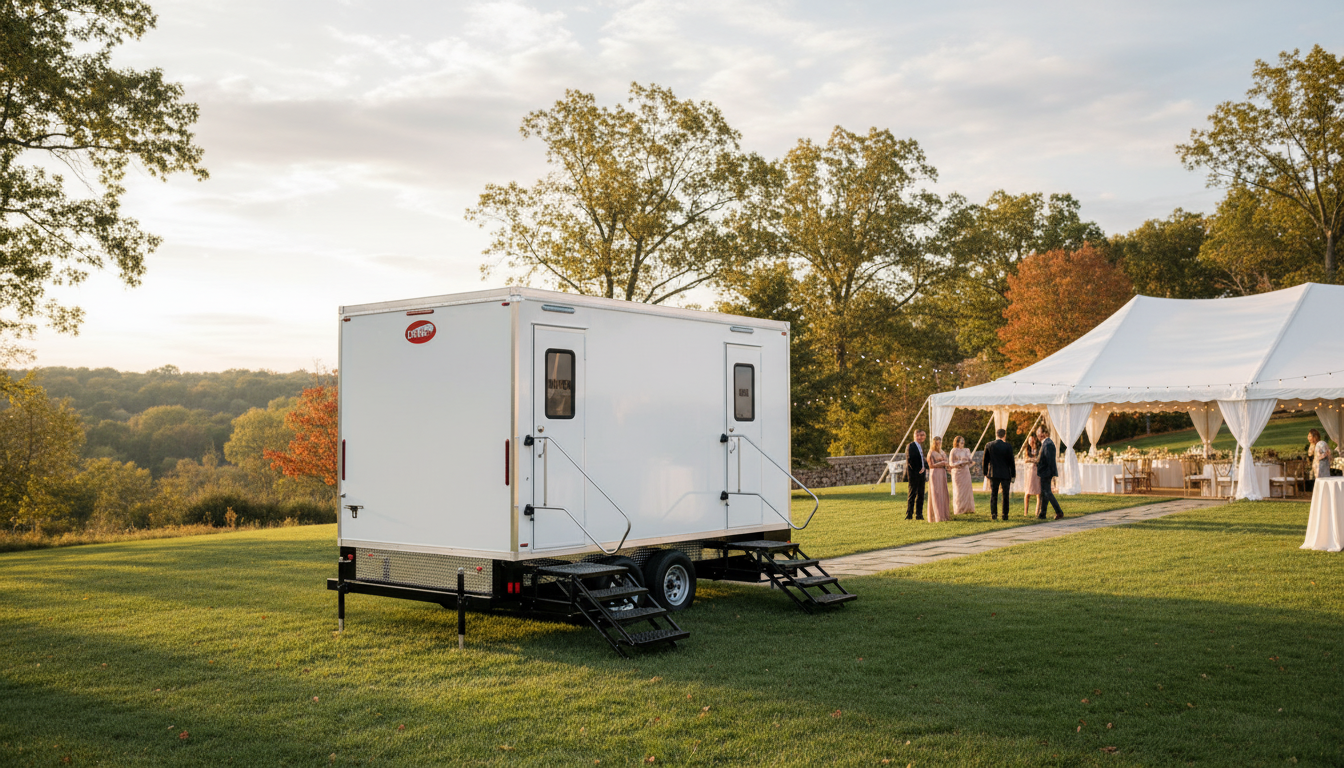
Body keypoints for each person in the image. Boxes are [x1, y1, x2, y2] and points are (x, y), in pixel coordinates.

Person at [982, 428, 1016, 520]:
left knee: (994, 494)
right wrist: (1013, 475)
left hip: (994, 473)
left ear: (996, 435)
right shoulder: (1008, 446)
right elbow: (1011, 462)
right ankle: (1005, 514)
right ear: (1004, 435)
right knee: (1005, 495)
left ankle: (994, 514)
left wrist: (985, 472)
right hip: (1005, 473)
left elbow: (985, 460)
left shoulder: (989, 445)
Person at [1035, 427, 1063, 520]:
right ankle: (1042, 514)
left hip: (1046, 472)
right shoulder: (1046, 443)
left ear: (1044, 433)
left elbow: (1049, 460)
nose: (1037, 435)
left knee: (1047, 492)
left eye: (1038, 432)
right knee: (1045, 493)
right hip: (1045, 472)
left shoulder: (1048, 444)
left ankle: (1059, 512)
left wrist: (1040, 464)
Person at [949, 435, 975, 515]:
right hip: (957, 472)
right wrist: (960, 463)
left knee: (967, 490)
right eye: (961, 441)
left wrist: (970, 462)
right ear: (957, 442)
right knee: (958, 491)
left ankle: (968, 508)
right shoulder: (953, 450)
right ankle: (959, 509)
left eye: (963, 441)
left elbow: (969, 461)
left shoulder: (967, 450)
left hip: (965, 472)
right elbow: (951, 463)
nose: (962, 442)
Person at [905, 429, 927, 520]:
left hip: (922, 474)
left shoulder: (921, 447)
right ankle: (909, 514)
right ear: (915, 436)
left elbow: (922, 460)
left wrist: (925, 467)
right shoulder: (911, 446)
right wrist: (918, 470)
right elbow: (910, 460)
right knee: (912, 494)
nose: (921, 437)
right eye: (919, 435)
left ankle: (919, 514)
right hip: (914, 474)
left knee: (921, 494)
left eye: (923, 435)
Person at [927, 436, 950, 523]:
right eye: (937, 443)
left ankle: (944, 515)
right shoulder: (931, 453)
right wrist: (941, 463)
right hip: (935, 473)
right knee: (936, 493)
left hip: (942, 473)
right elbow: (931, 465)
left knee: (943, 492)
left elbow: (946, 461)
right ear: (934, 443)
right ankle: (937, 516)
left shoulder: (942, 452)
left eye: (940, 442)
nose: (939, 444)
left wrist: (947, 464)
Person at [1022, 433, 1041, 518]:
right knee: (1027, 493)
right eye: (1029, 440)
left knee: (1038, 493)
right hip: (1029, 472)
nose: (1031, 441)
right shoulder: (1026, 449)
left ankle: (1037, 512)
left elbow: (1038, 460)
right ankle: (1025, 512)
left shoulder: (1038, 449)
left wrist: (1031, 460)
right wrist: (1033, 460)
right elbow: (1025, 459)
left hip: (1037, 472)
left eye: (1032, 439)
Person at [1309, 428, 1333, 492]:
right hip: (1317, 467)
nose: (1308, 438)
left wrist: (1318, 458)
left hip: (1321, 468)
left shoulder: (1321, 444)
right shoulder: (1315, 445)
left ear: (1315, 436)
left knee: (1323, 484)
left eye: (1310, 436)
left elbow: (1326, 453)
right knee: (1319, 485)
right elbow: (1309, 454)